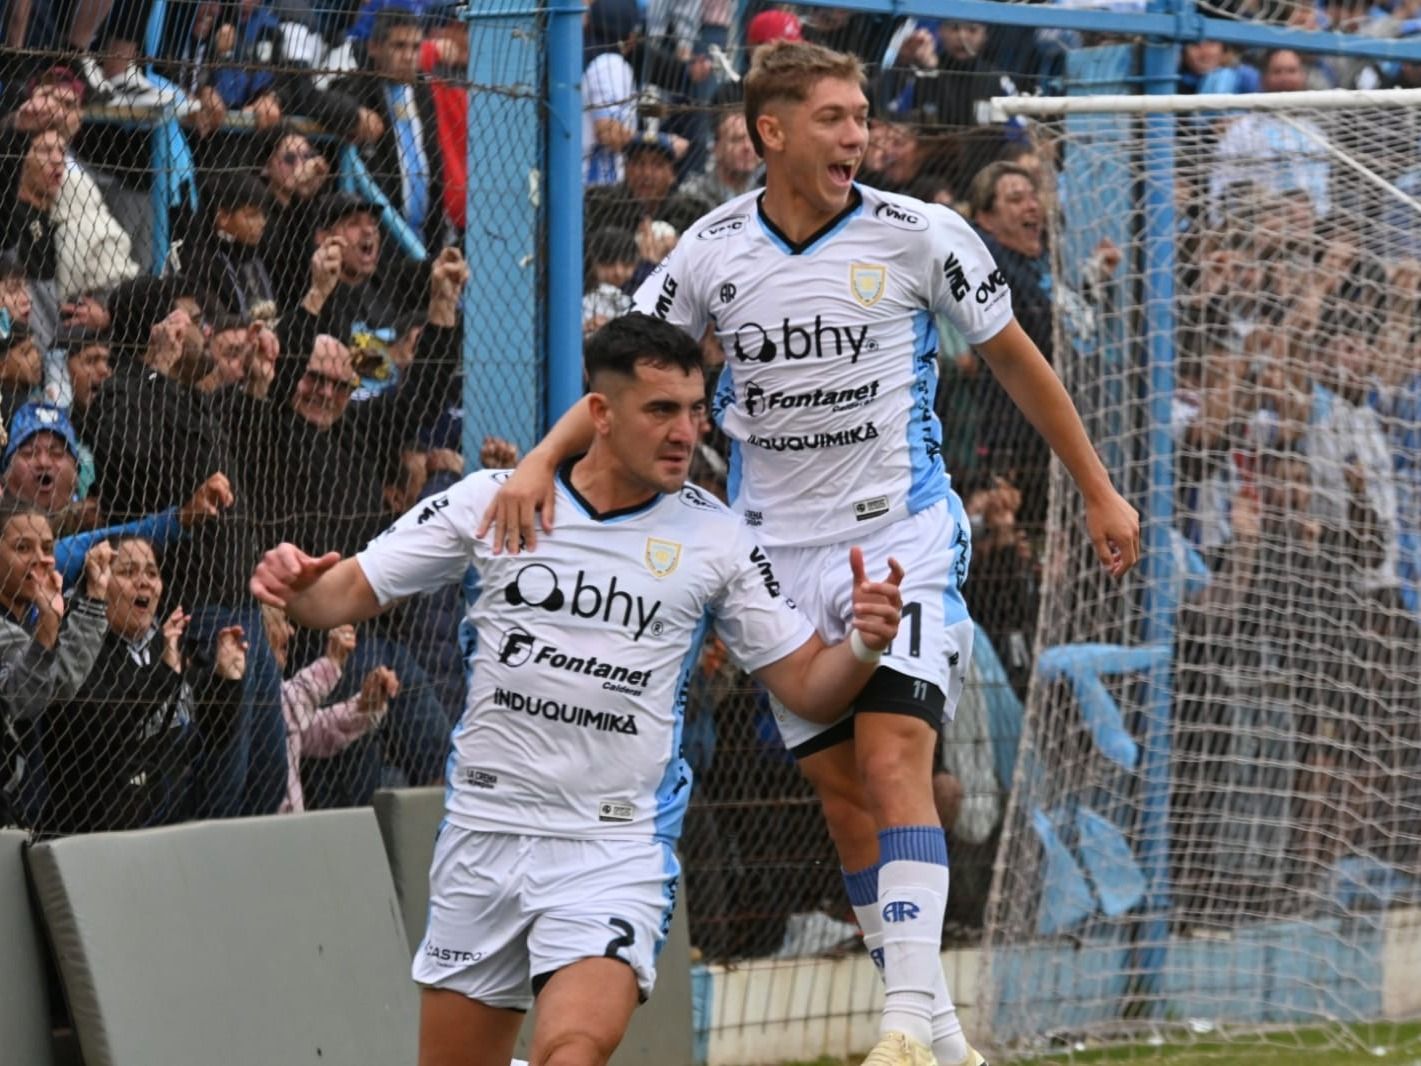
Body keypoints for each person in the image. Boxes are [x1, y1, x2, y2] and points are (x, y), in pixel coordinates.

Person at [483, 40, 1140, 1066]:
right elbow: (620, 381)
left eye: (861, 114)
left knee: (892, 760)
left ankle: (898, 1031)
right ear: (769, 132)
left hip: (900, 537)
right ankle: (943, 1038)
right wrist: (537, 467)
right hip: (772, 563)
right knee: (842, 798)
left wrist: (1096, 489)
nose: (856, 134)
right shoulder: (708, 251)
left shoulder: (921, 234)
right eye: (832, 117)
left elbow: (1016, 360)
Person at [249, 311, 907, 1066]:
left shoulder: (715, 537)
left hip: (611, 846)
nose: (685, 433)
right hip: (484, 838)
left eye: (695, 411)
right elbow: (338, 596)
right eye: (660, 410)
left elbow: (809, 688)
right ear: (599, 413)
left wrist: (861, 641)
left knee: (574, 1050)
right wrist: (294, 588)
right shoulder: (494, 503)